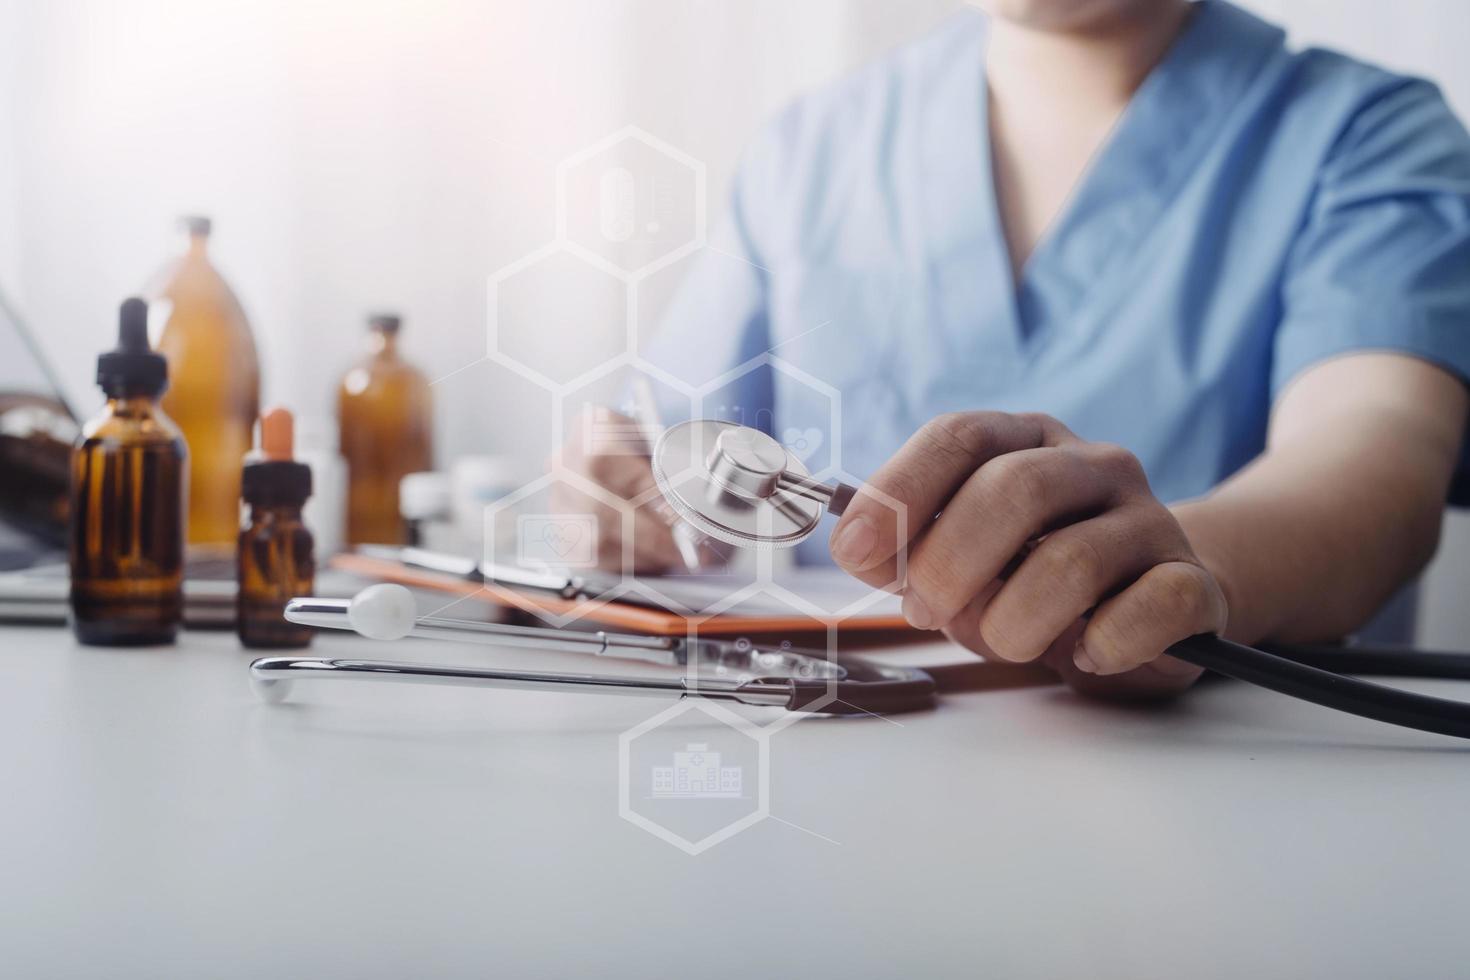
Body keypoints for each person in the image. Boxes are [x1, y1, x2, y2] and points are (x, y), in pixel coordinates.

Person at [559, 0, 1470, 698]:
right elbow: (678, 448)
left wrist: (1179, 577)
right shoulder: (812, 146)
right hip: (832, 764)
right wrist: (621, 495)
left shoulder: (1369, 137)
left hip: (1215, 787)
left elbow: (1374, 463)